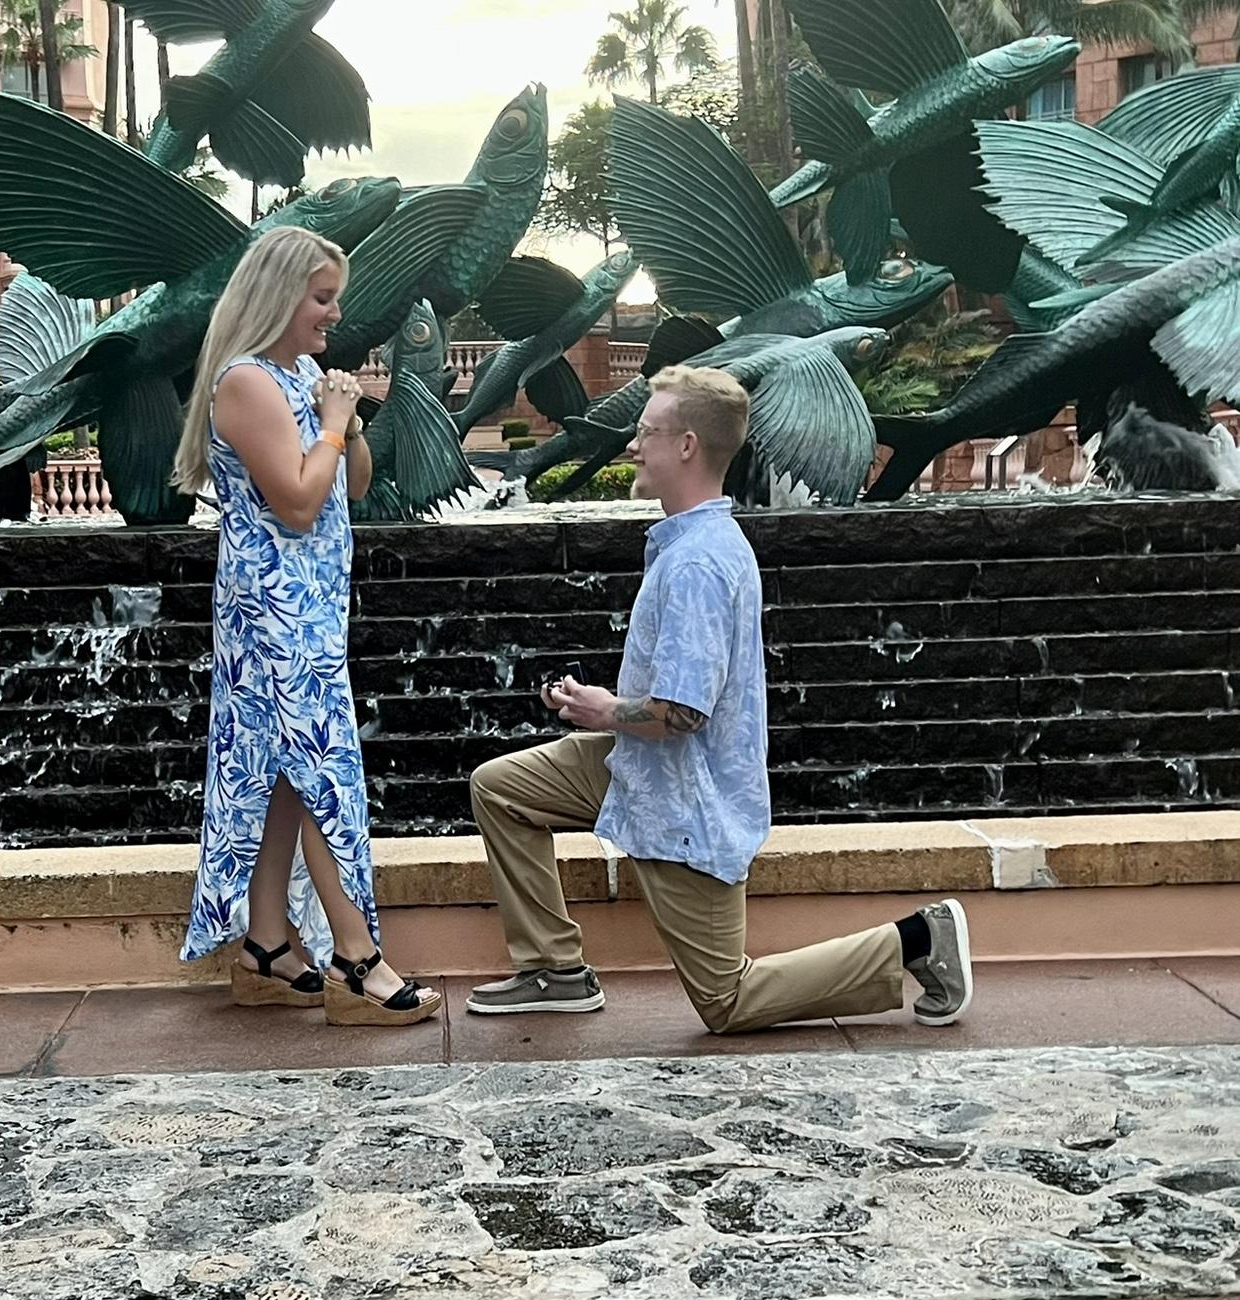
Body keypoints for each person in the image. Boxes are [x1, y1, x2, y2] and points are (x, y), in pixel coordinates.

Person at [466, 364, 972, 1031]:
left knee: (727, 1001)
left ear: (686, 447)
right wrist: (602, 712)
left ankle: (919, 940)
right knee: (502, 787)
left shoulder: (700, 562)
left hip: (686, 799)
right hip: (638, 768)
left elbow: (681, 714)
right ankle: (554, 969)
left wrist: (602, 709)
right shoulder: (688, 544)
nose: (632, 446)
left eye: (646, 433)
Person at [173, 226, 440, 1027]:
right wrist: (327, 423)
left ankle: (264, 947)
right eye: (322, 297)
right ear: (280, 295)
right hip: (273, 610)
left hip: (311, 603)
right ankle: (355, 962)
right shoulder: (246, 381)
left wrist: (346, 421)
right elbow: (295, 499)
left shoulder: (299, 376)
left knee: (284, 768)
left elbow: (349, 487)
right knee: (321, 770)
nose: (334, 313)